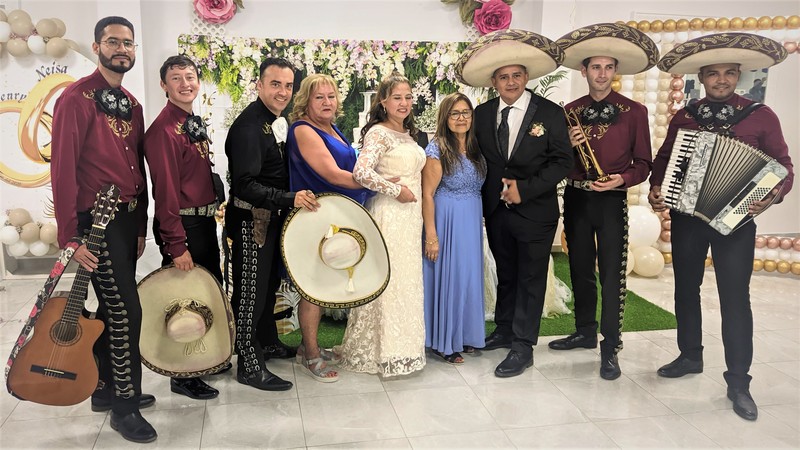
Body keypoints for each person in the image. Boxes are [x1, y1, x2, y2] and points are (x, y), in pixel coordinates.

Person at [649, 33, 794, 421]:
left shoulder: (760, 115)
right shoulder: (685, 116)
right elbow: (664, 158)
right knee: (686, 289)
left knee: (735, 299)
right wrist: (657, 188)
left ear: (738, 76)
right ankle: (690, 356)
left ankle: (739, 382)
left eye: (729, 73)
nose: (722, 80)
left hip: (736, 221)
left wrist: (773, 194)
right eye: (713, 74)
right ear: (702, 77)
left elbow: (783, 165)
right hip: (688, 216)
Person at [50, 16, 156, 443]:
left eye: (128, 43)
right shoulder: (75, 99)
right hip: (96, 222)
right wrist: (70, 236)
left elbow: (138, 169)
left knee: (113, 307)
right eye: (113, 42)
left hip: (127, 218)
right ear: (96, 47)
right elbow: (62, 169)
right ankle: (124, 407)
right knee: (127, 311)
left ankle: (105, 387)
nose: (121, 49)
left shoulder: (132, 103)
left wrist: (141, 223)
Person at [455, 29, 573, 378]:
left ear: (526, 77)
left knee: (530, 279)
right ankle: (504, 330)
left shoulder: (549, 113)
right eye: (504, 77)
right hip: (496, 212)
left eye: (517, 75)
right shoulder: (482, 113)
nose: (511, 82)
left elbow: (562, 162)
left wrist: (526, 189)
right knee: (506, 274)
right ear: (494, 82)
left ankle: (523, 346)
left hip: (536, 213)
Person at [549, 23, 656, 380]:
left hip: (611, 202)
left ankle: (611, 346)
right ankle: (584, 332)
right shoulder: (569, 111)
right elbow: (556, 160)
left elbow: (644, 163)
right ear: (584, 71)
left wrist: (621, 180)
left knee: (612, 275)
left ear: (615, 71)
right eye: (596, 67)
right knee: (579, 269)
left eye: (609, 67)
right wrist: (566, 144)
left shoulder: (635, 111)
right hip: (577, 199)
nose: (602, 73)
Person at [225, 57, 319, 391]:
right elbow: (244, 185)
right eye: (275, 84)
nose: (282, 92)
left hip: (269, 218)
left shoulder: (273, 120)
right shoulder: (249, 126)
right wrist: (289, 198)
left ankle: (266, 342)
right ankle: (249, 366)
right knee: (250, 294)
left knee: (266, 289)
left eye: (288, 85)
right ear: (259, 85)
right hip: (252, 222)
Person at [144, 55, 224, 400]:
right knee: (184, 303)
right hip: (184, 225)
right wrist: (177, 245)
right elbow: (164, 194)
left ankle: (202, 361)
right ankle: (182, 374)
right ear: (164, 85)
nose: (185, 84)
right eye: (176, 78)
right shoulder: (163, 131)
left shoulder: (189, 122)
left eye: (190, 77)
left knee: (206, 293)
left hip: (203, 223)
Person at [337, 72, 427, 377]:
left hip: (410, 217)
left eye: (408, 97)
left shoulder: (408, 133)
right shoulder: (378, 133)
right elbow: (361, 172)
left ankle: (405, 348)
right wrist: (395, 190)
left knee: (405, 281)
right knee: (389, 280)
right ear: (384, 102)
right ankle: (382, 351)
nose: (404, 103)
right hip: (389, 214)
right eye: (397, 97)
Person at [285, 73, 373, 382]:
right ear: (306, 101)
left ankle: (307, 348)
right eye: (318, 97)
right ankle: (311, 355)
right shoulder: (304, 129)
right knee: (314, 287)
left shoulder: (331, 128)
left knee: (324, 284)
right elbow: (333, 175)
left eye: (331, 96)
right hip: (315, 218)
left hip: (334, 216)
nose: (326, 102)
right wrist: (378, 184)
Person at [421, 92, 487, 364]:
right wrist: (431, 236)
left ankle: (464, 334)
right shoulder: (437, 149)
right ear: (445, 118)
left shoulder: (475, 147)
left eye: (465, 113)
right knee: (451, 277)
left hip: (471, 218)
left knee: (468, 277)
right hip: (447, 219)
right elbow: (427, 194)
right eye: (455, 113)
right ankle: (444, 342)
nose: (461, 118)